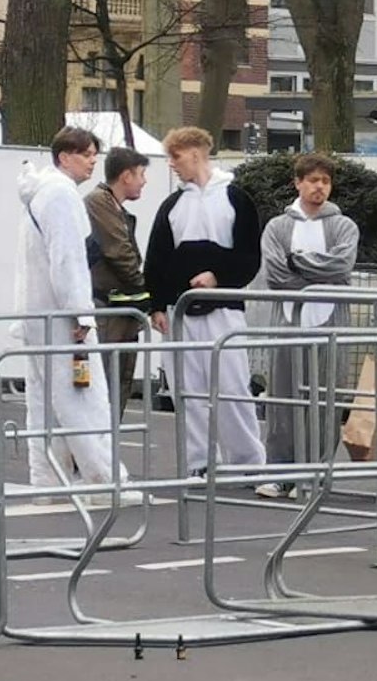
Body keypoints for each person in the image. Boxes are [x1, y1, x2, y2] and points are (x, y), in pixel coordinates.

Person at [145, 126, 265, 478]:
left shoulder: (236, 199)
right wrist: (156, 304)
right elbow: (157, 258)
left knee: (232, 387)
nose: (171, 164)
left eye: (176, 156)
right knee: (189, 391)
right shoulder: (173, 205)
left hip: (224, 309)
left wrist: (218, 276)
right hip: (180, 313)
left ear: (196, 153)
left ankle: (248, 461)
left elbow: (248, 255)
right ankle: (198, 462)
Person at [17, 127, 124, 501]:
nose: (93, 160)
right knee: (83, 399)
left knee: (44, 404)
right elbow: (68, 262)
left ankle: (48, 481)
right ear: (65, 157)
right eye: (87, 154)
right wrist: (82, 315)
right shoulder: (61, 196)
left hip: (38, 315)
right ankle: (104, 481)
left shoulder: (41, 195)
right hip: (62, 318)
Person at [254, 153, 359, 500]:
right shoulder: (278, 227)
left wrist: (297, 262)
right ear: (298, 183)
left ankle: (316, 469)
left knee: (327, 397)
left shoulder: (342, 225)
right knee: (283, 396)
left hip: (329, 323)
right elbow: (276, 275)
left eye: (325, 181)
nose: (319, 187)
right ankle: (280, 470)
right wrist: (316, 276)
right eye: (313, 180)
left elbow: (341, 268)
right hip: (288, 322)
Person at [85, 146, 152, 423]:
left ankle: (105, 450)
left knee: (119, 381)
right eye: (141, 174)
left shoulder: (113, 207)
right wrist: (147, 293)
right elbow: (120, 253)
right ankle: (93, 453)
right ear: (126, 175)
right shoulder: (99, 203)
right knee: (105, 383)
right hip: (108, 309)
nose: (144, 181)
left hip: (121, 309)